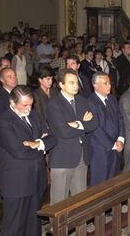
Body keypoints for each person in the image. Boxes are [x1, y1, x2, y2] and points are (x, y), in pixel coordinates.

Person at [0, 85, 56, 235]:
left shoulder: (34, 115)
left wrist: (37, 143)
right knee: (14, 226)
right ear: (12, 103)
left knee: (33, 225)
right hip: (17, 183)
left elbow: (53, 137)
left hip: (36, 179)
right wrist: (42, 146)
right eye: (24, 105)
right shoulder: (3, 122)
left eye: (31, 104)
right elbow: (19, 152)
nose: (29, 108)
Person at [46, 69, 98, 204]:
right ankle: (57, 226)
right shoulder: (54, 104)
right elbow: (63, 131)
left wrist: (77, 124)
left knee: (80, 199)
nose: (76, 85)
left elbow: (94, 123)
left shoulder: (82, 100)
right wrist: (83, 123)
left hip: (82, 155)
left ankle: (80, 225)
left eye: (76, 82)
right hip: (63, 157)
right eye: (71, 82)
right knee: (59, 201)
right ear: (61, 85)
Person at [88, 72, 125, 186]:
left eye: (109, 83)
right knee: (101, 184)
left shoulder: (112, 99)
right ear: (95, 85)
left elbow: (120, 119)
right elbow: (96, 129)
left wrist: (121, 139)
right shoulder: (90, 102)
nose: (109, 86)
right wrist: (113, 145)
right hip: (101, 150)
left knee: (114, 182)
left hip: (116, 147)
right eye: (105, 83)